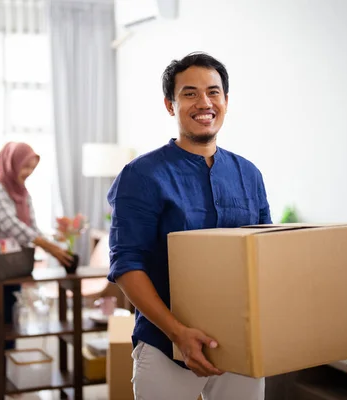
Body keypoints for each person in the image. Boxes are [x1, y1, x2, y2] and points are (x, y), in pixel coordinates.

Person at [107, 52, 272, 400]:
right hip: (166, 346)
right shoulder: (141, 175)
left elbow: (265, 256)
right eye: (189, 93)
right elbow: (127, 265)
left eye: (213, 92)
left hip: (239, 347)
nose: (204, 103)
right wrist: (178, 333)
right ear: (170, 105)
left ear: (225, 101)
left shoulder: (249, 174)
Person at [0, 142, 73, 394]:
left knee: (8, 320)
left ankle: (7, 377)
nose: (28, 172)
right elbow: (11, 225)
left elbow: (32, 227)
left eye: (32, 167)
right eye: (25, 166)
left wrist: (53, 242)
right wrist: (49, 247)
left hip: (10, 265)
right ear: (11, 162)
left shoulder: (23, 192)